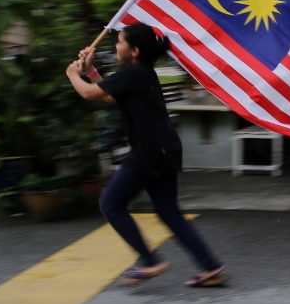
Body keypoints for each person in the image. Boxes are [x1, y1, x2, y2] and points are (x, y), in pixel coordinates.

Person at [66, 23, 230, 288]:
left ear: (134, 50)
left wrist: (72, 74)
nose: (116, 46)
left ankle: (150, 260)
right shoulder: (140, 71)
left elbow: (88, 93)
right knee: (168, 212)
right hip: (165, 148)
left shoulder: (131, 72)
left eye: (119, 42)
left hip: (149, 152)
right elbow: (109, 96)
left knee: (110, 203)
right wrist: (90, 70)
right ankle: (210, 266)